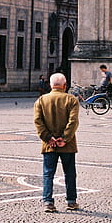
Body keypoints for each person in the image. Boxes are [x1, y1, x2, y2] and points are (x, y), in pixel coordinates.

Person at [33, 73, 80, 212]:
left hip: (49, 145)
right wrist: (64, 138)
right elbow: (73, 122)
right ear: (65, 86)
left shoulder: (41, 100)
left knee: (48, 173)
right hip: (68, 144)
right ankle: (71, 201)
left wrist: (48, 138)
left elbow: (38, 122)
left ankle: (48, 202)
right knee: (70, 173)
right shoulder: (71, 100)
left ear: (51, 85)